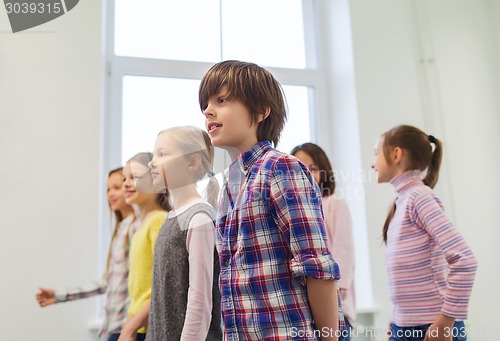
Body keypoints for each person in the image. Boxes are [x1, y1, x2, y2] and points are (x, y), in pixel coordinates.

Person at [199, 60, 344, 340]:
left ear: (261, 110)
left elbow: (317, 267)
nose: (208, 110)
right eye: (206, 103)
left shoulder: (281, 168)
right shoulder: (228, 184)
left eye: (222, 99)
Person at [371, 125, 477, 341]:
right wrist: (396, 318)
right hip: (405, 326)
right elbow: (405, 273)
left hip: (431, 326)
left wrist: (446, 322)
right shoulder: (402, 201)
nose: (372, 163)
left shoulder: (419, 197)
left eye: (376, 153)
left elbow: (465, 260)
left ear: (396, 154)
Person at [36, 167, 139, 341]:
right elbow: (108, 283)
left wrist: (130, 329)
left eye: (116, 187)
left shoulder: (136, 228)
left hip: (127, 329)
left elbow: (141, 285)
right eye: (108, 189)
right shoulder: (121, 230)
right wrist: (59, 295)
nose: (110, 194)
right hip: (114, 328)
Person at [145, 126, 222, 340]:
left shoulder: (199, 218)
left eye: (163, 154)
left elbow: (200, 301)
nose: (152, 162)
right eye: (154, 155)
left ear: (192, 162)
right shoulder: (171, 217)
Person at [291, 143, 356, 340]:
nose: (306, 174)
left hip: (335, 307)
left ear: (324, 171)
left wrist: (338, 292)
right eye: (300, 168)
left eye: (312, 168)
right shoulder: (292, 210)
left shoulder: (333, 204)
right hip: (304, 309)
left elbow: (344, 251)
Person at [118, 153, 170, 341]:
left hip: (147, 326)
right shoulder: (140, 226)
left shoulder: (158, 220)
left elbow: (160, 285)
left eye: (134, 177)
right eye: (124, 178)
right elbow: (137, 291)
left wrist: (130, 328)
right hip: (138, 325)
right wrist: (128, 327)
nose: (126, 183)